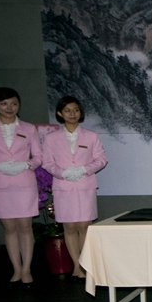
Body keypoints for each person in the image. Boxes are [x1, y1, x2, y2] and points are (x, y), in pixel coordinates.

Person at [0, 87, 42, 286]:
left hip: (24, 183)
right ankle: (16, 269)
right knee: (10, 228)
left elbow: (39, 157)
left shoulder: (29, 128)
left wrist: (26, 165)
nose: (9, 107)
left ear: (19, 105)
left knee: (25, 226)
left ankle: (27, 269)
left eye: (14, 103)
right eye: (4, 104)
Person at [42, 96, 107, 281]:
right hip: (63, 186)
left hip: (85, 185)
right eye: (68, 110)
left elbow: (101, 159)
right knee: (69, 227)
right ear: (60, 113)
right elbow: (47, 162)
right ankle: (77, 266)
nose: (72, 114)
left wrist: (83, 169)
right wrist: (62, 173)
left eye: (76, 110)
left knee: (85, 225)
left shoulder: (91, 136)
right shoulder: (51, 138)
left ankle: (87, 266)